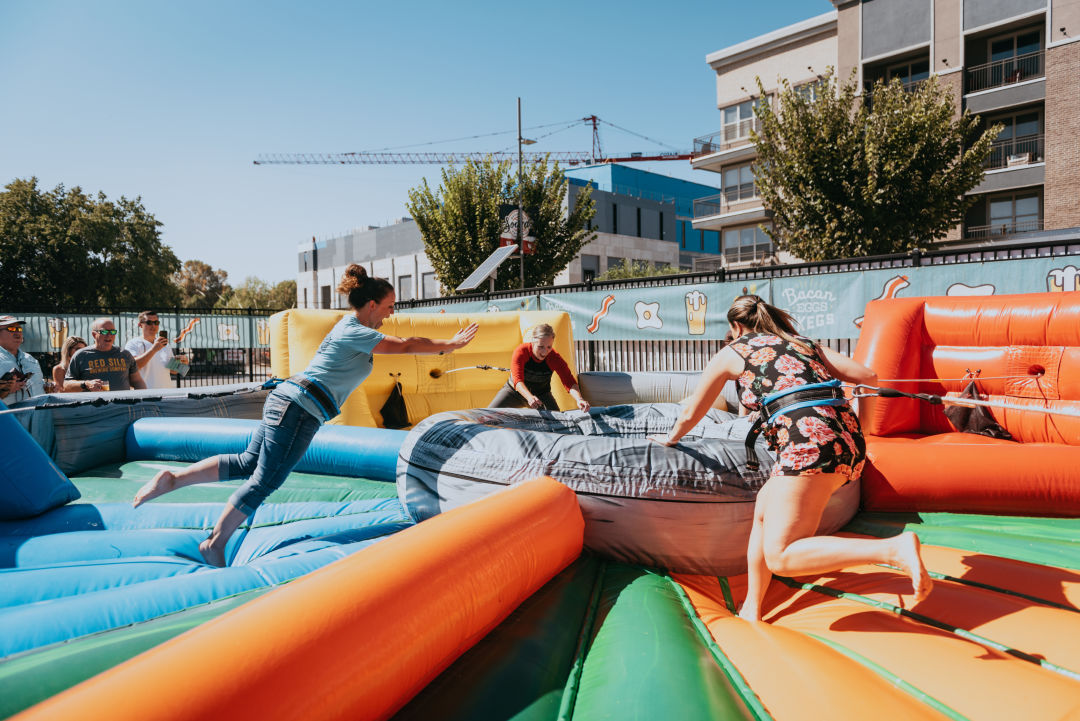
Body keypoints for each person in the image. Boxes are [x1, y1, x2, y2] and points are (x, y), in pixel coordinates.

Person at [132, 264, 479, 567]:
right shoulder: (355, 329)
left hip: (290, 402)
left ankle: (173, 480)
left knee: (247, 462)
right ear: (371, 305)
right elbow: (404, 345)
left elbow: (398, 344)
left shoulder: (354, 330)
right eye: (388, 306)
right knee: (266, 480)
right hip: (298, 408)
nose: (390, 313)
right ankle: (214, 543)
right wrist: (451, 344)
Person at [650, 295, 931, 621]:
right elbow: (868, 377)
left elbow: (691, 410)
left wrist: (670, 438)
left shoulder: (733, 351)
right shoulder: (804, 343)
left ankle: (892, 550)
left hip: (807, 444)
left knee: (782, 555)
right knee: (765, 509)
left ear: (736, 326)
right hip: (847, 442)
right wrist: (862, 431)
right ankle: (752, 608)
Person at [488, 323, 590, 412]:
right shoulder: (521, 351)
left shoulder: (554, 357)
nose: (545, 352)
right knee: (487, 415)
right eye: (540, 346)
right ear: (532, 342)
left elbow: (569, 381)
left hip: (541, 395)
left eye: (549, 347)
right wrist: (529, 397)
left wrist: (579, 399)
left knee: (556, 422)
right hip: (513, 392)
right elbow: (517, 381)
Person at [64, 318, 145, 392]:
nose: (109, 335)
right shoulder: (81, 355)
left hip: (121, 406)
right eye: (104, 332)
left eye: (112, 332)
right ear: (94, 335)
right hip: (93, 406)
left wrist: (146, 401)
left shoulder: (124, 354)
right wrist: (86, 384)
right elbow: (66, 385)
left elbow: (137, 382)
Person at [124, 311, 178, 389]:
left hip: (166, 394)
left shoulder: (165, 344)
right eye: (149, 322)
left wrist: (182, 364)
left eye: (156, 322)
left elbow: (173, 370)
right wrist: (153, 349)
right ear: (140, 325)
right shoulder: (133, 343)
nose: (153, 326)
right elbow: (133, 367)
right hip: (146, 395)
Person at [0, 315, 45, 404]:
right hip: (7, 416)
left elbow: (38, 387)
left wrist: (47, 388)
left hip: (37, 416)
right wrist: (5, 389)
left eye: (19, 329)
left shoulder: (30, 359)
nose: (17, 333)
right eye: (11, 329)